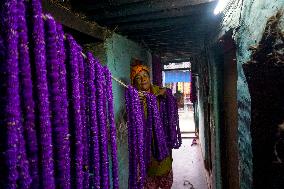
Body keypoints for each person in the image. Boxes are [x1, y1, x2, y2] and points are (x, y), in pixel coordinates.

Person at [130, 63, 173, 189]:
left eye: (145, 76)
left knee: (165, 178)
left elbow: (168, 93)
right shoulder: (134, 98)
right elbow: (127, 119)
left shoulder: (157, 91)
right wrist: (135, 104)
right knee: (148, 179)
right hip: (145, 147)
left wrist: (163, 93)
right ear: (134, 82)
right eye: (138, 77)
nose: (143, 79)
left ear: (149, 78)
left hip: (162, 144)